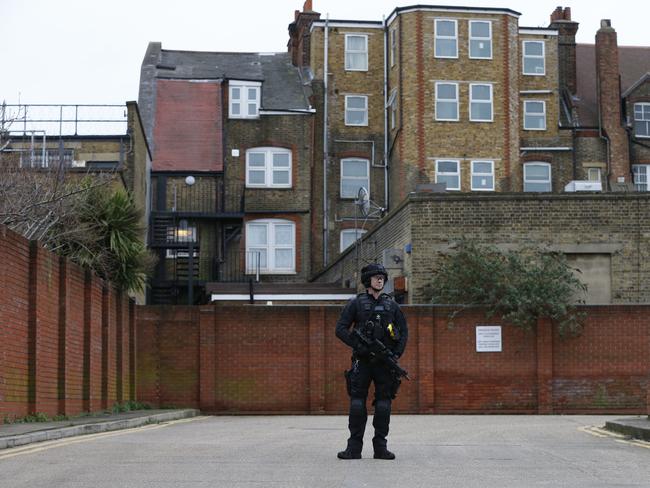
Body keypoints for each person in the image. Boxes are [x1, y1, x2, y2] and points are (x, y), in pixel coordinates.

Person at [335, 263, 409, 460]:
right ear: (368, 280)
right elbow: (340, 329)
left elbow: (403, 332)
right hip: (363, 361)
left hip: (384, 363)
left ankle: (380, 447)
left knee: (384, 404)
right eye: (377, 277)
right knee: (357, 403)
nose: (380, 280)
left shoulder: (391, 305)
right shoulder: (356, 304)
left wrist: (395, 355)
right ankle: (354, 448)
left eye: (382, 277)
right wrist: (358, 346)